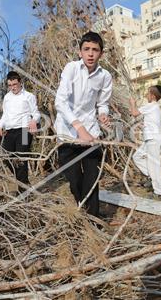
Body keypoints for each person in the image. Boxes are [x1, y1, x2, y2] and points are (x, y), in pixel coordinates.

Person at [54, 31, 112, 217]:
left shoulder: (105, 76)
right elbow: (60, 102)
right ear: (80, 52)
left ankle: (93, 219)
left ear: (101, 54)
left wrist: (103, 114)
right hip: (67, 132)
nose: (90, 53)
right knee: (74, 180)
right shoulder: (71, 69)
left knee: (92, 179)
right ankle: (82, 212)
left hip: (91, 133)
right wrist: (79, 128)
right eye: (86, 49)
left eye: (95, 50)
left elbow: (102, 103)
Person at [0, 71, 41, 186]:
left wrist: (34, 121)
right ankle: (24, 182)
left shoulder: (28, 96)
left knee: (21, 159)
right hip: (10, 131)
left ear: (20, 82)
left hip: (24, 131)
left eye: (14, 84)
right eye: (9, 85)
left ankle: (23, 190)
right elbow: (5, 115)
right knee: (6, 158)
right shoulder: (7, 97)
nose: (12, 87)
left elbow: (36, 114)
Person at [129, 85, 161, 198]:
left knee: (154, 165)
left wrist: (132, 103)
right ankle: (151, 177)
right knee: (137, 157)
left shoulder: (152, 105)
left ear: (153, 96)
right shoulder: (156, 109)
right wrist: (144, 126)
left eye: (148, 93)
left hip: (153, 140)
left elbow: (134, 113)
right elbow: (153, 123)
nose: (146, 95)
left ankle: (160, 192)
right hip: (150, 139)